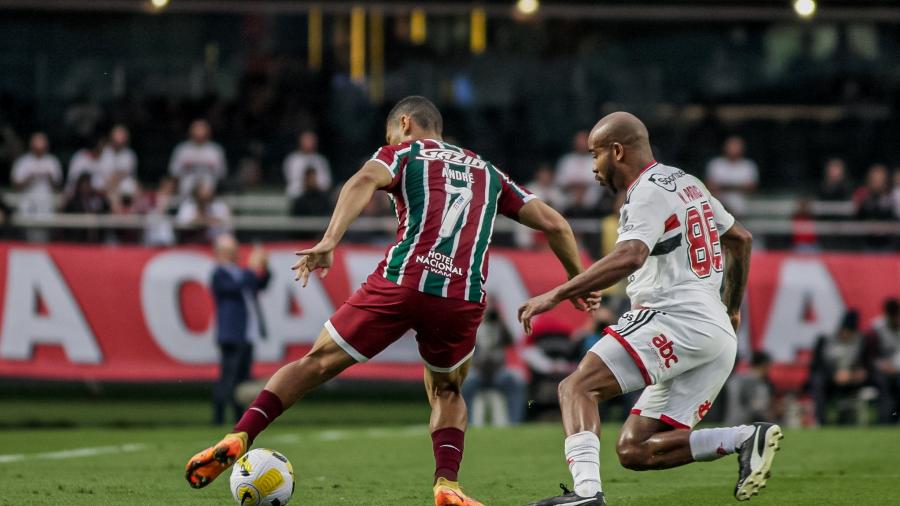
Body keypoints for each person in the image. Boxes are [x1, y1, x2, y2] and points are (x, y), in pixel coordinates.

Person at [185, 96, 589, 506]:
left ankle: (241, 434)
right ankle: (447, 484)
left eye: (390, 132)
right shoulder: (488, 171)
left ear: (405, 123)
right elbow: (556, 223)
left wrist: (330, 239)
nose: (389, 139)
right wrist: (577, 280)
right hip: (461, 296)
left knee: (316, 362)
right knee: (447, 391)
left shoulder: (403, 152)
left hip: (403, 280)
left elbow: (362, 181)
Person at [518, 112, 778, 506]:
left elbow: (631, 255)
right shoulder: (688, 182)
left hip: (675, 317)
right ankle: (743, 437)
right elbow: (740, 238)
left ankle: (588, 494)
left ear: (617, 151)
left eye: (595, 155)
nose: (593, 167)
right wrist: (734, 309)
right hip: (716, 333)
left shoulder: (646, 192)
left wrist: (555, 294)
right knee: (634, 450)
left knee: (575, 387)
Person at [210, 234, 271, 425]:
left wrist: (264, 267)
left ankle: (239, 418)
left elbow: (260, 283)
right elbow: (237, 286)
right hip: (231, 334)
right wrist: (253, 268)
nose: (234, 254)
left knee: (242, 380)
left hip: (245, 334)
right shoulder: (219, 274)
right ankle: (218, 417)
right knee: (228, 378)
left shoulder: (239, 273)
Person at [461, 302, 528, 425]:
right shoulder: (474, 328)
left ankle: (514, 423)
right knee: (466, 382)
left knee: (516, 382)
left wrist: (500, 321)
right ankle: (468, 422)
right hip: (479, 372)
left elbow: (511, 340)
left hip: (498, 372)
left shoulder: (500, 328)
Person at [808, 310, 870, 425]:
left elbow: (865, 364)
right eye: (845, 330)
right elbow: (817, 364)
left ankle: (848, 419)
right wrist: (834, 374)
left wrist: (855, 373)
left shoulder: (860, 341)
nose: (846, 334)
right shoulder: (825, 339)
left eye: (850, 332)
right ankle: (822, 421)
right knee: (817, 381)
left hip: (851, 379)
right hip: (829, 378)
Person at [11, 132, 62, 242]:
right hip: (27, 204)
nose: (39, 149)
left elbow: (58, 185)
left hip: (45, 204)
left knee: (43, 236)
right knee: (27, 236)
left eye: (42, 146)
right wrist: (29, 179)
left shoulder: (52, 161)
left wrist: (49, 177)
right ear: (32, 146)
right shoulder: (23, 162)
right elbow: (15, 185)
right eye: (37, 146)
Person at [169, 119, 227, 198]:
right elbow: (173, 171)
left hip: (209, 194)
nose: (199, 132)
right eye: (197, 129)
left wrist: (211, 167)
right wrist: (185, 167)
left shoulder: (215, 150)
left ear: (208, 131)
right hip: (186, 194)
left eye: (202, 129)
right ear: (190, 131)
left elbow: (222, 173)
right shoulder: (182, 149)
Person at [705, 135, 758, 217]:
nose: (733, 149)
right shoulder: (716, 164)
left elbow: (751, 187)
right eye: (731, 146)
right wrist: (738, 186)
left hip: (741, 209)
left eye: (736, 146)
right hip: (718, 209)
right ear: (725, 147)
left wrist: (723, 186)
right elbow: (711, 186)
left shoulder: (748, 165)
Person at [870, 298, 900, 424]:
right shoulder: (876, 329)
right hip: (882, 370)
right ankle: (885, 420)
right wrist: (883, 365)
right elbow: (870, 355)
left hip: (898, 369)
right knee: (884, 385)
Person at [724, 351, 775, 426]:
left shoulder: (741, 377)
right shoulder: (751, 380)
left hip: (733, 421)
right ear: (764, 364)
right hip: (742, 423)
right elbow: (753, 407)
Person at [557, 130, 603, 210]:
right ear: (574, 143)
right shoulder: (567, 160)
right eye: (579, 142)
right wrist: (574, 187)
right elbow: (559, 181)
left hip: (592, 199)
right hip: (569, 197)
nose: (581, 144)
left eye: (583, 141)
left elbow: (601, 180)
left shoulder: (597, 160)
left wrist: (583, 187)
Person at [284, 130, 332, 200]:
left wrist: (314, 184)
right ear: (300, 142)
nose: (310, 143)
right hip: (298, 195)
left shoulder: (321, 160)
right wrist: (306, 184)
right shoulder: (292, 159)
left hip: (318, 196)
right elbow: (292, 180)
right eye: (307, 140)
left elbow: (326, 182)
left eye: (312, 140)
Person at [100, 124, 138, 196]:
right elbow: (104, 172)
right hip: (106, 183)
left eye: (122, 136)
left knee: (129, 185)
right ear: (112, 137)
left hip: (122, 184)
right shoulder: (105, 152)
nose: (119, 139)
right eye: (117, 135)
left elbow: (125, 173)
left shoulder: (130, 154)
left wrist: (115, 181)